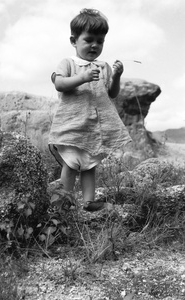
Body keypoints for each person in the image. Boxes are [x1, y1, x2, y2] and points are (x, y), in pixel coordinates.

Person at [49, 8, 132, 212]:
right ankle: (64, 201)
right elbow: (59, 83)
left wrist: (117, 77)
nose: (95, 45)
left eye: (100, 41)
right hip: (72, 125)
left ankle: (88, 201)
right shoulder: (68, 63)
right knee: (70, 164)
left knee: (89, 165)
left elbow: (112, 93)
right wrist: (83, 78)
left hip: (94, 129)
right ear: (74, 40)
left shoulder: (104, 67)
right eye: (89, 40)